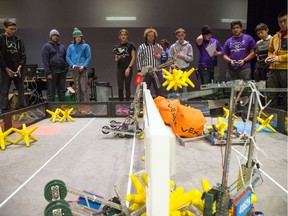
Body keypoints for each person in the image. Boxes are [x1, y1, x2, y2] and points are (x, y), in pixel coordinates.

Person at [0, 19, 26, 113]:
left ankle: (22, 108)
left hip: (17, 69)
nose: (13, 31)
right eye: (11, 29)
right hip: (5, 70)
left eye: (15, 29)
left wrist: (20, 66)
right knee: (4, 90)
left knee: (21, 90)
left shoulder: (18, 40)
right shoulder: (1, 39)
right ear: (5, 28)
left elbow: (23, 54)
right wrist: (6, 68)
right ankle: (4, 110)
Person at [265, 11, 287, 111]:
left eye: (285, 21)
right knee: (271, 94)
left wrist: (279, 58)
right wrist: (269, 57)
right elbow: (270, 50)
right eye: (279, 22)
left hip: (286, 70)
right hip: (273, 70)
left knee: (286, 96)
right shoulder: (275, 36)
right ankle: (271, 118)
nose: (282, 24)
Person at [136, 28, 164, 97]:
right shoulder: (142, 46)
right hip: (146, 72)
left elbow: (164, 56)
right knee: (144, 90)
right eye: (149, 35)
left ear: (154, 37)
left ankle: (160, 106)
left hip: (157, 70)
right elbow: (139, 59)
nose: (151, 37)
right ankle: (143, 106)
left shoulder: (157, 46)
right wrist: (139, 71)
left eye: (152, 35)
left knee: (159, 90)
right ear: (146, 36)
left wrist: (160, 56)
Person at [42, 29, 67, 102]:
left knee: (62, 91)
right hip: (52, 72)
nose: (56, 37)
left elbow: (65, 58)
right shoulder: (46, 46)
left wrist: (66, 69)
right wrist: (48, 73)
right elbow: (45, 60)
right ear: (50, 37)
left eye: (57, 35)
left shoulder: (62, 46)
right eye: (54, 35)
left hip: (62, 72)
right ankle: (50, 111)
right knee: (51, 92)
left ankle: (62, 109)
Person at [66, 28, 91, 102]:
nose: (78, 38)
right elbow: (67, 57)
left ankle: (86, 107)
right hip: (74, 70)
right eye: (77, 37)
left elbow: (88, 57)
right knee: (77, 89)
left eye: (79, 37)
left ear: (82, 37)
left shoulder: (85, 46)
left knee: (84, 88)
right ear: (74, 38)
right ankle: (79, 106)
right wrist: (72, 65)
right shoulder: (70, 47)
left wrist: (84, 66)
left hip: (82, 69)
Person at [169, 28, 193, 100]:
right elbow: (170, 59)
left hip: (184, 69)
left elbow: (191, 58)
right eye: (179, 35)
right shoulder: (173, 46)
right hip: (175, 69)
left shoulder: (188, 46)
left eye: (182, 35)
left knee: (184, 87)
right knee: (174, 88)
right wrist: (172, 64)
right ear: (176, 36)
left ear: (184, 35)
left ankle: (185, 104)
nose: (180, 37)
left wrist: (182, 57)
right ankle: (174, 105)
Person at [114, 29, 136, 102]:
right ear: (119, 36)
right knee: (120, 87)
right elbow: (116, 60)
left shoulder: (131, 45)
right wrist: (117, 58)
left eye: (125, 35)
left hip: (128, 68)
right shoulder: (117, 46)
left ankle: (127, 105)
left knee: (127, 87)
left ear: (127, 36)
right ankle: (120, 104)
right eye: (122, 35)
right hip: (120, 69)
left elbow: (133, 57)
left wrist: (129, 68)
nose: (123, 36)